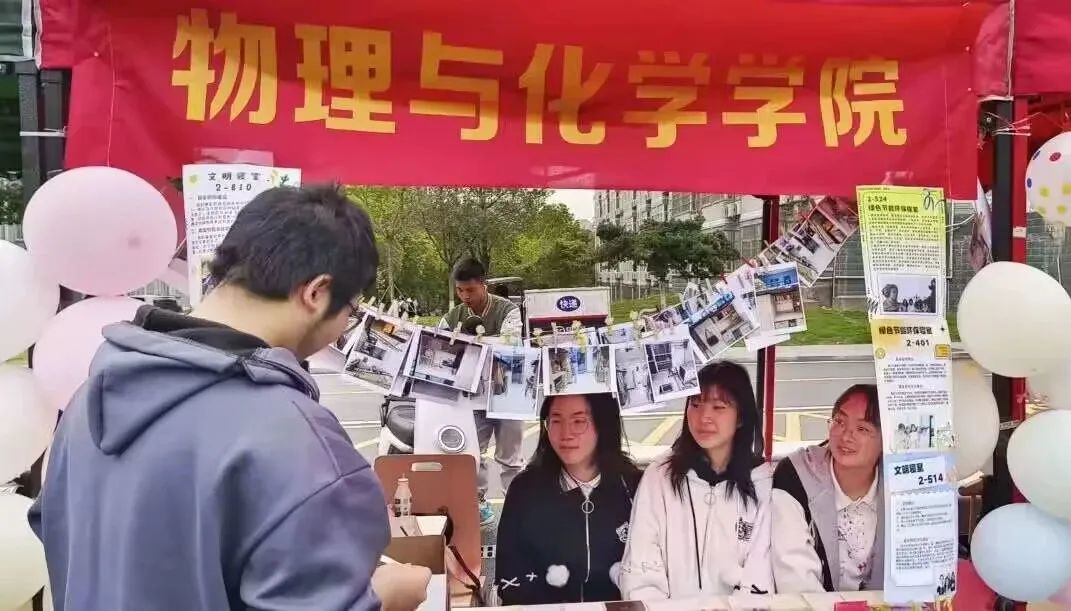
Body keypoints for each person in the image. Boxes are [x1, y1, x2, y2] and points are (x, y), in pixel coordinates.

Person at [29, 185, 430, 611]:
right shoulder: (291, 434)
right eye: (350, 310)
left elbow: (55, 534)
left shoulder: (87, 401)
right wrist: (390, 594)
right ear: (316, 293)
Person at [620, 361, 773, 600]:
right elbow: (640, 571)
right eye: (695, 404)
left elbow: (760, 577)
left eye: (718, 407)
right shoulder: (660, 476)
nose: (704, 417)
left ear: (741, 418)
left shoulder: (764, 483)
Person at [495, 393, 642, 605]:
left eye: (578, 421)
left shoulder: (634, 487)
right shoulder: (524, 489)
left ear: (603, 423)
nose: (566, 434)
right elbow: (509, 574)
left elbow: (651, 570)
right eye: (556, 421)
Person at [771, 384, 885, 593]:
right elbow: (796, 580)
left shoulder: (901, 485)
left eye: (862, 429)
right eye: (839, 421)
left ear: (885, 440)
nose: (846, 436)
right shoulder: (796, 476)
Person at [439, 257, 524, 526]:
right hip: (471, 397)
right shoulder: (451, 318)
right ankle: (478, 503)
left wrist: (470, 344)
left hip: (507, 392)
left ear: (483, 284)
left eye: (470, 290)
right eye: (460, 290)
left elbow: (511, 344)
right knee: (472, 454)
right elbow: (440, 348)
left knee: (511, 457)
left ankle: (517, 506)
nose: (465, 296)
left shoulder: (508, 310)